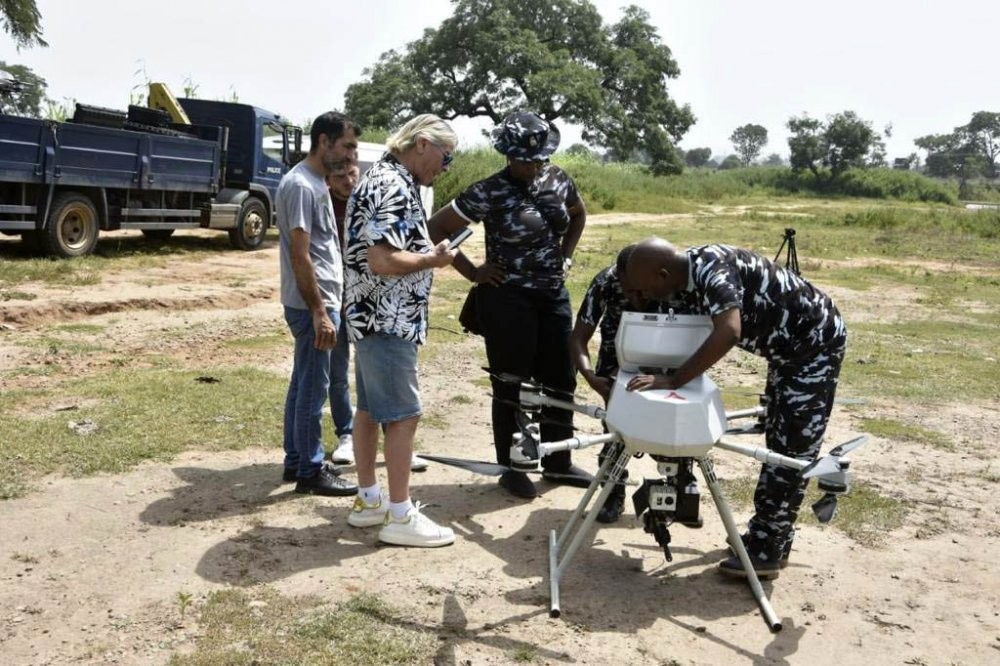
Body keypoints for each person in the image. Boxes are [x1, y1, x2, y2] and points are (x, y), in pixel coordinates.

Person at [623, 237, 847, 579]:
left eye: (644, 288)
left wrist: (675, 380)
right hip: (787, 352)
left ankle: (766, 550)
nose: (643, 296)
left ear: (663, 274)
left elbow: (728, 331)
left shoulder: (712, 271)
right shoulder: (686, 275)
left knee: (791, 447)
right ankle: (769, 538)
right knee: (778, 439)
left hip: (814, 347)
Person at [427, 111, 591, 500]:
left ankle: (559, 461)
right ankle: (511, 468)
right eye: (523, 160)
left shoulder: (558, 179)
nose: (532, 167)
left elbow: (578, 214)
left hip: (552, 295)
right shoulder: (488, 191)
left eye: (538, 160)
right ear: (508, 155)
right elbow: (436, 228)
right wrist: (473, 272)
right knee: (510, 381)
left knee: (561, 377)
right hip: (508, 299)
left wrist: (567, 256)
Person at [342, 114, 458, 547]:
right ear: (423, 143)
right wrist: (433, 260)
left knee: (371, 410)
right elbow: (383, 260)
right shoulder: (392, 184)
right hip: (387, 317)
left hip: (372, 316)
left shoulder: (384, 178)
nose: (444, 168)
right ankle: (400, 514)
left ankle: (370, 500)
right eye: (446, 157)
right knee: (404, 415)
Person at [326, 165, 431, 473]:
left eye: (351, 173)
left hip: (367, 308)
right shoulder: (329, 203)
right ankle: (347, 437)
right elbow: (379, 259)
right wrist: (432, 259)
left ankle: (383, 471)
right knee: (344, 378)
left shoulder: (371, 191)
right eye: (340, 176)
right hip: (363, 308)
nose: (348, 181)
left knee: (375, 399)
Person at [276, 111, 360, 497]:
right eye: (347, 146)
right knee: (313, 388)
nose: (350, 156)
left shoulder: (317, 182)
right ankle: (310, 470)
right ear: (324, 141)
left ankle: (296, 460)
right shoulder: (301, 185)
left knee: (303, 383)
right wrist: (320, 311)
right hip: (314, 306)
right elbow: (301, 255)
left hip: (320, 303)